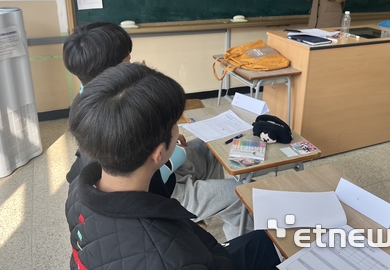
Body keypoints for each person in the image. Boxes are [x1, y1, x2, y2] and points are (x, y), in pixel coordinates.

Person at [65, 63, 281, 269]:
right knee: (272, 242)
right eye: (175, 124)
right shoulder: (169, 256)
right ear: (159, 154)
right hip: (201, 258)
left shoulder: (78, 190)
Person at [63, 22, 251, 240]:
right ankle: (233, 238)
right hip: (156, 189)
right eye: (127, 59)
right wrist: (174, 150)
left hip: (160, 168)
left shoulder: (88, 103)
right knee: (242, 197)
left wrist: (166, 140)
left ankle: (209, 210)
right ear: (114, 74)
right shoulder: (116, 116)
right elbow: (139, 173)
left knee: (209, 150)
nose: (131, 60)